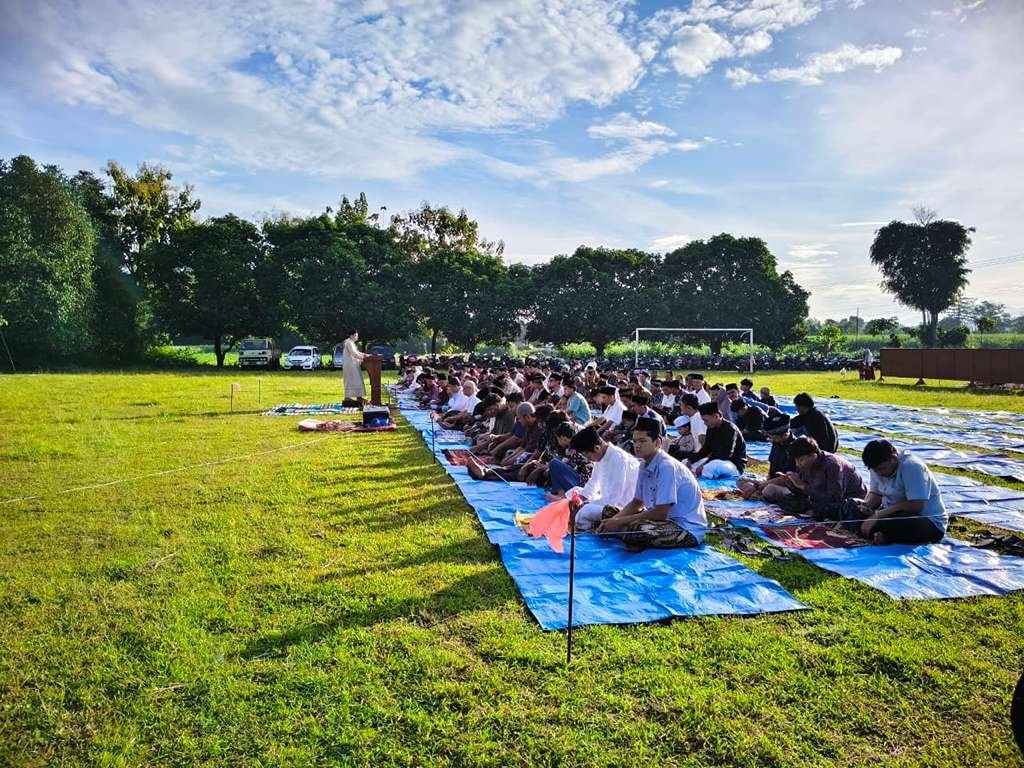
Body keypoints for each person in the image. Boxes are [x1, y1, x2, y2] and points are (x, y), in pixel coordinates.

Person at [595, 417, 707, 550]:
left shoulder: (667, 466)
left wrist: (619, 522)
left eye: (642, 441)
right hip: (659, 521)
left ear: (657, 443)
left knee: (637, 530)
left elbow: (661, 513)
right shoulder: (643, 465)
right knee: (608, 512)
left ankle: (626, 535)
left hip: (684, 528)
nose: (637, 445)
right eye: (635, 441)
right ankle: (622, 533)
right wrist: (614, 520)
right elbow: (637, 503)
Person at [858, 439, 947, 545]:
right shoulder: (876, 467)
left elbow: (916, 505)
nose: (878, 473)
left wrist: (877, 516)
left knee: (905, 522)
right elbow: (876, 494)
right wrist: (866, 506)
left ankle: (884, 535)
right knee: (852, 509)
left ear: (893, 459)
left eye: (881, 469)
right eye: (875, 470)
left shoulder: (911, 466)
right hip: (889, 513)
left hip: (924, 520)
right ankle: (881, 534)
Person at [768, 436, 867, 517]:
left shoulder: (833, 465)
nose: (798, 464)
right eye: (796, 460)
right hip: (819, 498)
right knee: (787, 501)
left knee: (821, 509)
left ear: (813, 455)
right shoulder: (806, 464)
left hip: (848, 502)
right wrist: (792, 484)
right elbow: (805, 492)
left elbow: (833, 498)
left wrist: (802, 485)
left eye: (801, 460)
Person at [567, 426, 642, 529]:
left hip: (621, 507)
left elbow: (614, 498)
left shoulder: (618, 459)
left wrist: (584, 505)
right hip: (606, 501)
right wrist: (581, 498)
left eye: (588, 456)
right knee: (574, 492)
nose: (589, 460)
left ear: (596, 448)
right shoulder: (601, 456)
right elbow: (593, 483)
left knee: (584, 511)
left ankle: (589, 527)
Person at [737, 412, 796, 500]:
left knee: (769, 490)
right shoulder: (777, 443)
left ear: (785, 435)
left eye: (773, 437)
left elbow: (785, 479)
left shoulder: (795, 447)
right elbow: (772, 469)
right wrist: (763, 483)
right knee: (740, 481)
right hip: (771, 482)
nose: (770, 440)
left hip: (789, 488)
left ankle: (759, 495)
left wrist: (757, 487)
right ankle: (759, 495)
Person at [687, 402, 746, 478]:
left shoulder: (730, 429)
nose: (705, 423)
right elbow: (706, 449)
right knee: (687, 463)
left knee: (709, 468)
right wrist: (690, 460)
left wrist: (704, 464)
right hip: (717, 461)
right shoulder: (711, 428)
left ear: (716, 416)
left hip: (733, 464)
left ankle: (704, 486)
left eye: (706, 420)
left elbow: (725, 455)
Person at [342, 331, 366, 400]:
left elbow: (357, 352)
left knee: (357, 381)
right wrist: (364, 357)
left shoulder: (351, 342)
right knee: (350, 381)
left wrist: (365, 355)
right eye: (356, 335)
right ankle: (347, 398)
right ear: (351, 336)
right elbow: (354, 353)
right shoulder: (348, 342)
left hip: (353, 365)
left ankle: (359, 397)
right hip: (350, 366)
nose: (357, 337)